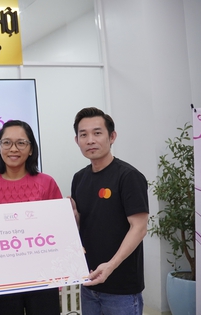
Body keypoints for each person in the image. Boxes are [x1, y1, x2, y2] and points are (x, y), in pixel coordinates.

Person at [0, 119, 62, 315]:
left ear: (31, 149)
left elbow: (58, 228)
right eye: (6, 142)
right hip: (1, 278)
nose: (13, 148)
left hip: (43, 276)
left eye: (21, 143)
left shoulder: (46, 183)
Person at [71, 107, 148, 314]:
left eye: (97, 133)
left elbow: (139, 227)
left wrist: (111, 265)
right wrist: (71, 216)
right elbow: (84, 224)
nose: (90, 140)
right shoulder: (79, 178)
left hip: (121, 287)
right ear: (76, 140)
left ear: (112, 136)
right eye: (83, 134)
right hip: (89, 282)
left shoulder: (128, 176)